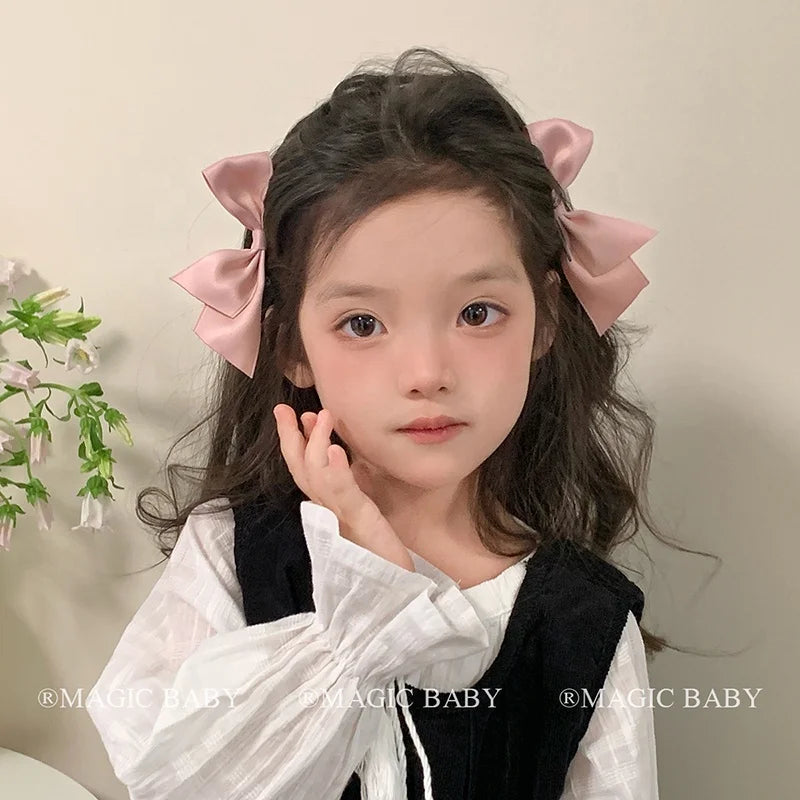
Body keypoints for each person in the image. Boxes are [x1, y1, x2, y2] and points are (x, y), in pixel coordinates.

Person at [87, 47, 662, 800]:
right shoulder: (234, 553)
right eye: (362, 323)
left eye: (477, 312)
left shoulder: (587, 621)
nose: (426, 372)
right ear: (291, 345)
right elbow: (176, 780)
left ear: (545, 318)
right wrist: (364, 593)